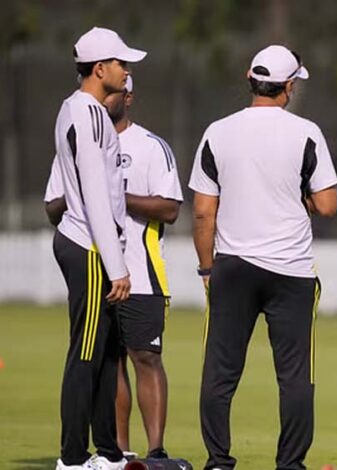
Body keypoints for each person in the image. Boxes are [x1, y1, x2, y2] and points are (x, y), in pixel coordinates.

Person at [190, 45, 337, 470]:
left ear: (250, 79)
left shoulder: (217, 131)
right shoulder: (306, 132)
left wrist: (207, 267)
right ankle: (290, 464)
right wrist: (298, 198)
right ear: (288, 87)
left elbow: (203, 211)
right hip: (290, 270)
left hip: (233, 265)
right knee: (294, 376)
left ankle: (218, 461)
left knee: (220, 373)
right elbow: (328, 204)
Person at [46, 75, 182, 461]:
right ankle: (118, 451)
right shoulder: (77, 137)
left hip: (141, 272)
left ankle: (156, 450)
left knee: (146, 357)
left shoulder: (152, 146)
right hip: (98, 268)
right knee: (108, 361)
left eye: (114, 94)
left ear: (129, 97)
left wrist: (114, 195)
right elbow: (52, 205)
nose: (106, 100)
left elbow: (170, 208)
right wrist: (85, 194)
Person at [51, 26, 145, 470]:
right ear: (100, 68)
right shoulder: (87, 114)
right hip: (89, 247)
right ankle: (72, 459)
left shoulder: (81, 110)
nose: (126, 71)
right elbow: (93, 194)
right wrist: (116, 264)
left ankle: (108, 453)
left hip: (92, 245)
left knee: (107, 355)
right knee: (86, 354)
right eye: (121, 63)